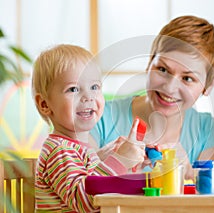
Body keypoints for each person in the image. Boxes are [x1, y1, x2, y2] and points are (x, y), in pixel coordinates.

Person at [91, 15, 214, 179]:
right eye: (163, 69)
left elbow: (206, 200)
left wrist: (189, 176)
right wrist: (108, 160)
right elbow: (77, 187)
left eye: (188, 78)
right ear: (149, 63)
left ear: (208, 85)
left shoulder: (207, 131)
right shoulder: (99, 116)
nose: (169, 87)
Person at [32, 44, 145, 212]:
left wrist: (128, 159)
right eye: (73, 89)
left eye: (94, 87)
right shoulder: (60, 151)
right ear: (45, 104)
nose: (88, 97)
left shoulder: (79, 149)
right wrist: (119, 160)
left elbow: (99, 180)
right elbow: (86, 201)